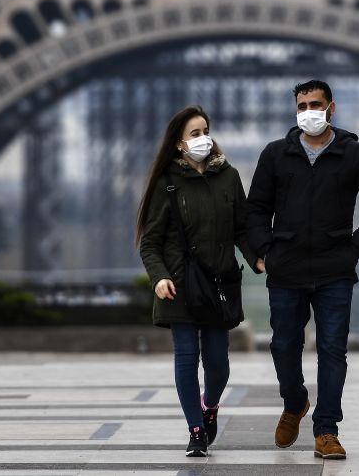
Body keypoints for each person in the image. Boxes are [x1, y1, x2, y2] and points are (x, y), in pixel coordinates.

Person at [245, 79, 359, 460]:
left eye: (315, 104)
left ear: (332, 108)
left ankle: (326, 430)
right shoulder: (275, 155)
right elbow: (255, 211)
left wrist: (354, 251)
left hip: (334, 270)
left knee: (332, 350)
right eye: (302, 106)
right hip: (287, 269)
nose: (308, 112)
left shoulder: (355, 155)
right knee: (283, 346)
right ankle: (295, 402)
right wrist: (264, 252)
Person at [136, 105, 254, 457]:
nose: (203, 138)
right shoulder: (166, 183)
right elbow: (150, 242)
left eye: (205, 130)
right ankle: (196, 429)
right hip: (179, 284)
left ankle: (210, 405)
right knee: (186, 358)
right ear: (178, 144)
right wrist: (158, 278)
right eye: (194, 133)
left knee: (218, 363)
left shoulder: (229, 177)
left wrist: (259, 258)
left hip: (217, 285)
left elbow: (243, 229)